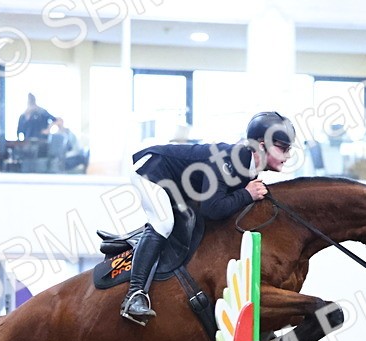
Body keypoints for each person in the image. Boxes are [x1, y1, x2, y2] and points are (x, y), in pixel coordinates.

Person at [120, 111, 295, 325]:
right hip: (151, 169)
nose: (287, 156)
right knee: (163, 223)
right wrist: (246, 194)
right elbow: (212, 209)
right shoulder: (230, 159)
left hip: (177, 185)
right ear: (261, 145)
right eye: (283, 148)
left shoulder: (249, 169)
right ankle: (134, 296)